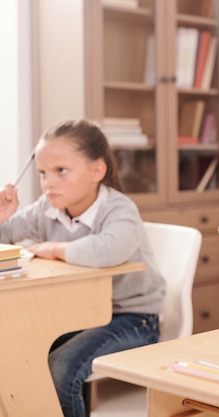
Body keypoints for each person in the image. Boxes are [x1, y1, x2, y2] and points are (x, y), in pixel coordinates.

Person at [0, 119, 166, 416]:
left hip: (132, 318)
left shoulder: (118, 208)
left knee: (60, 367)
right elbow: (6, 236)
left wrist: (55, 249)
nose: (48, 182)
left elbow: (109, 249)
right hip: (77, 313)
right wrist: (1, 217)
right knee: (20, 353)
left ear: (97, 171)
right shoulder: (46, 208)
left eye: (61, 171)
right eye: (42, 173)